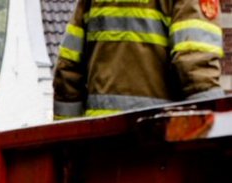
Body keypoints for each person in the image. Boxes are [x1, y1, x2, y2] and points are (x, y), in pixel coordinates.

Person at [53, 0, 224, 119]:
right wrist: (216, 132)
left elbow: (67, 70)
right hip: (158, 144)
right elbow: (195, 69)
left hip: (100, 148)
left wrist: (67, 146)